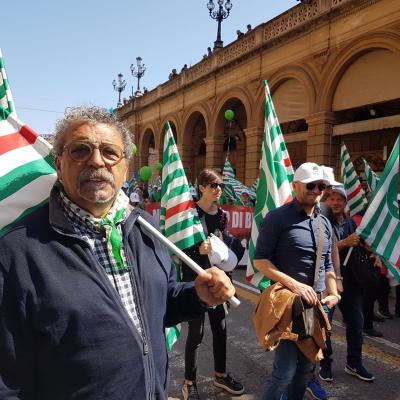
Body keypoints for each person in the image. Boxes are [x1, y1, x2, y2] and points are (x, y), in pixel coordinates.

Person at [0, 106, 235, 400]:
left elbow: (160, 303)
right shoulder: (16, 253)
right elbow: (7, 382)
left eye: (110, 152)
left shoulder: (144, 228)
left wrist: (197, 295)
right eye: (81, 150)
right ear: (59, 164)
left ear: (125, 167)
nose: (97, 160)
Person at [253, 162, 339, 400]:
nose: (316, 190)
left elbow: (327, 264)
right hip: (289, 306)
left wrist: (334, 292)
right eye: (311, 185)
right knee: (284, 372)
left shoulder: (324, 222)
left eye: (321, 186)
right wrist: (295, 285)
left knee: (305, 370)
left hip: (318, 307)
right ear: (296, 185)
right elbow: (260, 260)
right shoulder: (278, 218)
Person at [181, 169, 244, 400]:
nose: (218, 189)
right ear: (201, 187)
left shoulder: (222, 215)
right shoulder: (189, 214)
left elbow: (223, 241)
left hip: (217, 280)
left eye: (220, 185)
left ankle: (220, 375)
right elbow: (178, 247)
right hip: (195, 282)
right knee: (195, 334)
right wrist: (197, 250)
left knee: (221, 329)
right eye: (213, 185)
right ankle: (190, 382)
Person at [323, 185, 375, 382]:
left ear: (345, 203)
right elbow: (322, 249)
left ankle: (354, 363)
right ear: (326, 201)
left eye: (339, 199)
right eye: (331, 199)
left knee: (356, 325)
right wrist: (345, 242)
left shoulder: (351, 223)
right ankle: (325, 365)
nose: (335, 203)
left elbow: (359, 243)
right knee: (325, 327)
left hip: (351, 283)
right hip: (328, 283)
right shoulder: (320, 222)